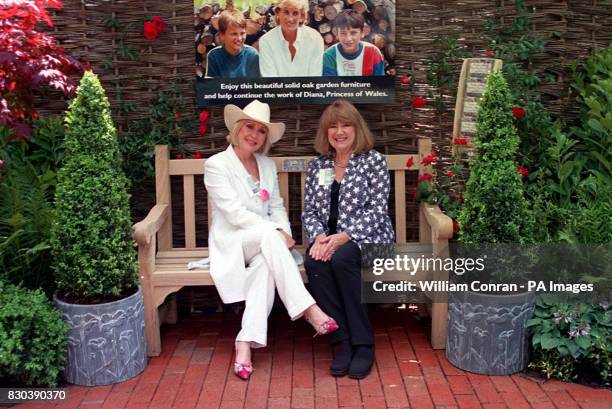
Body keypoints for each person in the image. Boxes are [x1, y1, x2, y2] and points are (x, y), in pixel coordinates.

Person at [204, 100, 338, 381]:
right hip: (234, 243)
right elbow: (234, 213)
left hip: (265, 246)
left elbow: (276, 205)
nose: (254, 134)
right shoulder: (216, 165)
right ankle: (308, 309)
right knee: (268, 236)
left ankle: (244, 344)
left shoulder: (266, 164)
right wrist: (274, 233)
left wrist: (282, 232)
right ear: (237, 129)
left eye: (261, 131)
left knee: (266, 265)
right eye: (249, 127)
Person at [302, 100, 394, 379]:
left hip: (369, 237)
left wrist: (344, 237)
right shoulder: (319, 166)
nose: (339, 131)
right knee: (315, 263)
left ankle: (363, 344)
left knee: (342, 259)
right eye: (333, 126)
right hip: (328, 240)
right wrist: (319, 237)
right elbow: (309, 210)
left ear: (357, 128)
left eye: (345, 125)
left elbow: (378, 210)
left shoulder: (373, 161)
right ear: (325, 132)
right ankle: (341, 341)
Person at [258, 0, 324, 77]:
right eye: (286, 12)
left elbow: (314, 77)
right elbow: (270, 80)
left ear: (302, 16)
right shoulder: (266, 41)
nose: (290, 19)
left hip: (307, 89)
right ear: (277, 12)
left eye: (295, 13)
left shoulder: (315, 38)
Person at [323, 10, 384, 76]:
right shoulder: (329, 55)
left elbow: (379, 84)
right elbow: (329, 84)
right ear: (336, 33)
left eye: (353, 33)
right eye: (343, 33)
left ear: (362, 32)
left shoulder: (374, 52)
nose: (348, 39)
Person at [205, 9, 260, 78]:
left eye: (242, 33)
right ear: (222, 35)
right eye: (234, 34)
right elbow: (212, 85)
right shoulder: (214, 56)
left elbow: (255, 85)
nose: (239, 38)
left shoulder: (252, 55)